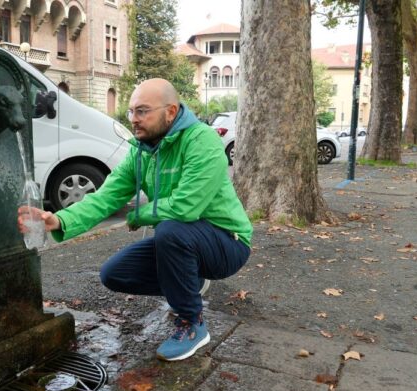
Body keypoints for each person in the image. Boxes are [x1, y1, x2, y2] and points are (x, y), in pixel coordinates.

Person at [17, 78, 252, 361]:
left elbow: (186, 206)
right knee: (115, 274)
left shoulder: (202, 140)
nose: (134, 120)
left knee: (170, 229)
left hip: (227, 242)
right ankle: (190, 281)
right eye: (131, 112)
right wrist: (58, 220)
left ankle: (192, 324)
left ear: (171, 111)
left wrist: (138, 215)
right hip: (184, 241)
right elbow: (105, 197)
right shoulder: (141, 153)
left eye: (142, 111)